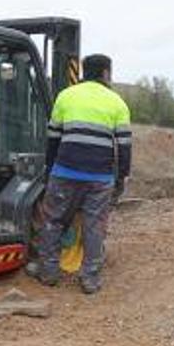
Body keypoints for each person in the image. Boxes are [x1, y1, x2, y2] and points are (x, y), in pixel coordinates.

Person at [28, 53, 132, 294]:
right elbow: (124, 146)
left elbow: (53, 139)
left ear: (84, 71)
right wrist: (121, 176)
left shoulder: (65, 96)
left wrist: (51, 169)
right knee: (94, 227)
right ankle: (90, 279)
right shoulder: (117, 102)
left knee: (53, 221)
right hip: (99, 178)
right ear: (106, 73)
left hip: (65, 172)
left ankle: (49, 272)